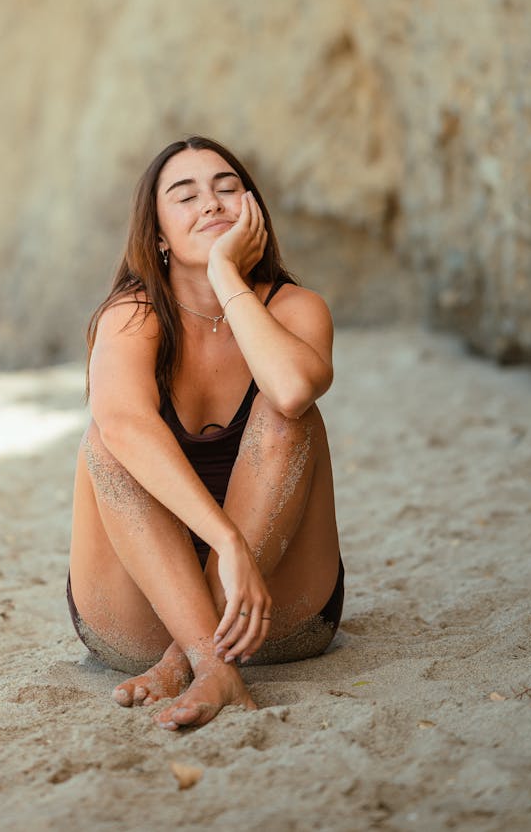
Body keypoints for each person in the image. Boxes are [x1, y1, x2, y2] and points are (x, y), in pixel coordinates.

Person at [67, 136, 342, 730]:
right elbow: (123, 424)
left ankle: (194, 660)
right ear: (159, 234)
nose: (211, 204)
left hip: (273, 614)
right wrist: (227, 544)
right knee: (109, 439)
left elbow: (293, 390)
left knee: (287, 411)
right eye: (185, 195)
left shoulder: (298, 308)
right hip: (137, 617)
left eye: (226, 188)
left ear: (252, 210)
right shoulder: (130, 316)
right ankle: (206, 659)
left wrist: (224, 273)